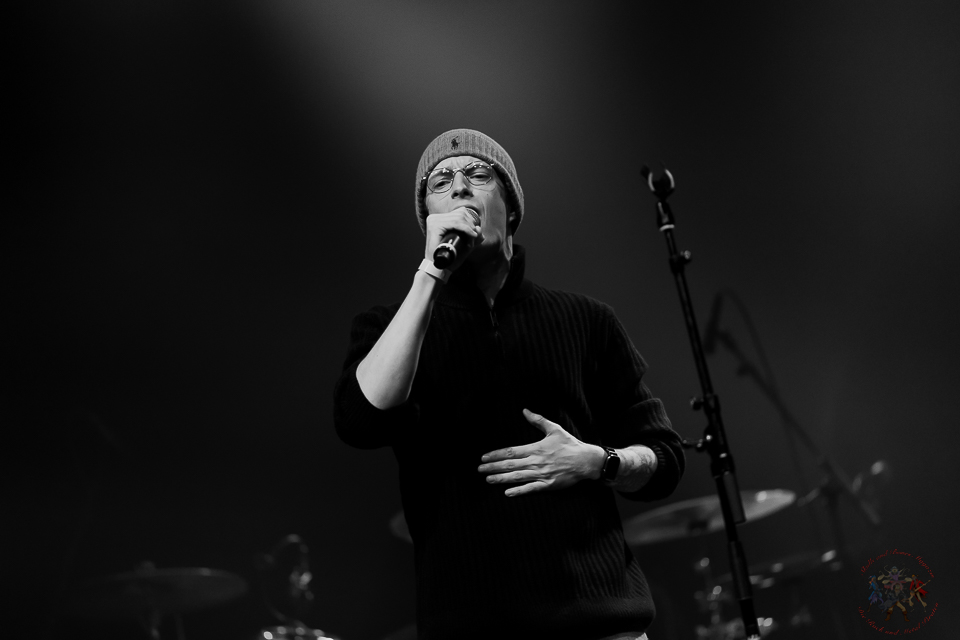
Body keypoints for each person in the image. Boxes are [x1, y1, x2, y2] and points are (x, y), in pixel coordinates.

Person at [333, 129, 685, 640]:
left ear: (511, 206)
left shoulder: (587, 321)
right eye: (440, 183)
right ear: (428, 219)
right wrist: (430, 275)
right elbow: (360, 421)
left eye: (477, 174)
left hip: (603, 624)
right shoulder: (389, 328)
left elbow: (666, 459)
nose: (459, 187)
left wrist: (599, 461)